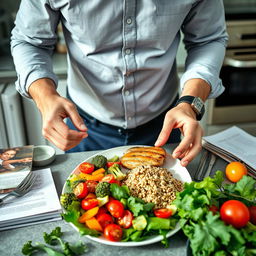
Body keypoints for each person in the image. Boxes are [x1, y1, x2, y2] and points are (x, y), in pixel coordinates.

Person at [10, 1, 228, 167]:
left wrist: (190, 103)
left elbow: (208, 40)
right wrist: (45, 97)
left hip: (166, 123)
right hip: (84, 127)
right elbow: (29, 41)